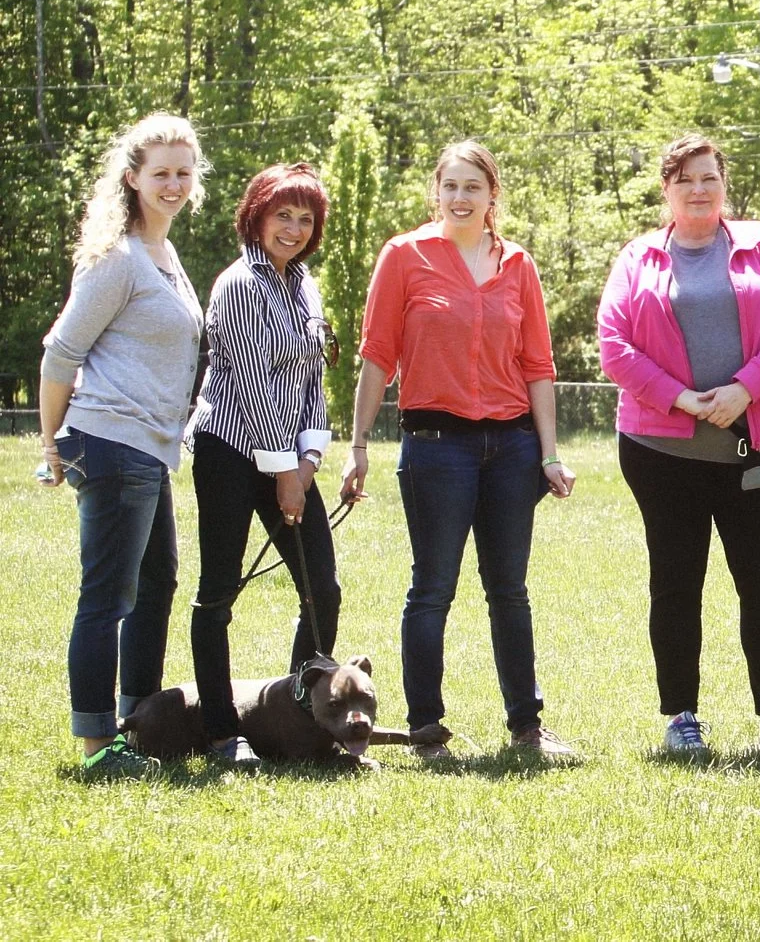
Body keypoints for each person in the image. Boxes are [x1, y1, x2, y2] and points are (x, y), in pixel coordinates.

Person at [342, 140, 579, 762]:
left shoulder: (518, 265)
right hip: (434, 445)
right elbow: (376, 355)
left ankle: (527, 725)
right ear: (436, 193)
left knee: (510, 590)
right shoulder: (405, 256)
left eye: (473, 187)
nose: (461, 197)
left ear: (492, 196)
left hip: (511, 448)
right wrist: (359, 444)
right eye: (450, 186)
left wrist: (549, 453)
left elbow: (538, 366)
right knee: (432, 589)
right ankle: (426, 730)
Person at [599, 135, 760, 758]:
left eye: (709, 177)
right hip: (660, 450)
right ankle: (681, 718)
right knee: (675, 582)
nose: (699, 189)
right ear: (666, 189)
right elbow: (614, 344)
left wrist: (745, 390)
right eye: (686, 179)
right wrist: (681, 398)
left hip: (757, 445)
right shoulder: (638, 258)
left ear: (724, 184)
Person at [39, 114, 207, 778]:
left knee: (157, 581)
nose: (172, 184)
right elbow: (60, 351)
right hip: (109, 440)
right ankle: (97, 746)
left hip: (150, 449)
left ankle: (140, 724)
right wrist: (52, 443)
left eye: (183, 173)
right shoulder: (120, 258)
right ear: (133, 178)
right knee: (108, 595)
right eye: (160, 173)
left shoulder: (163, 256)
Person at [187, 163, 353, 769]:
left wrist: (308, 461)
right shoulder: (239, 284)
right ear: (256, 215)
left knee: (322, 590)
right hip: (230, 449)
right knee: (217, 594)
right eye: (283, 215)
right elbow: (258, 387)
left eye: (305, 219)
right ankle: (220, 731)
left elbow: (311, 380)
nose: (294, 228)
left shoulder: (303, 284)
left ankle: (295, 709)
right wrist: (287, 473)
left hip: (290, 452)